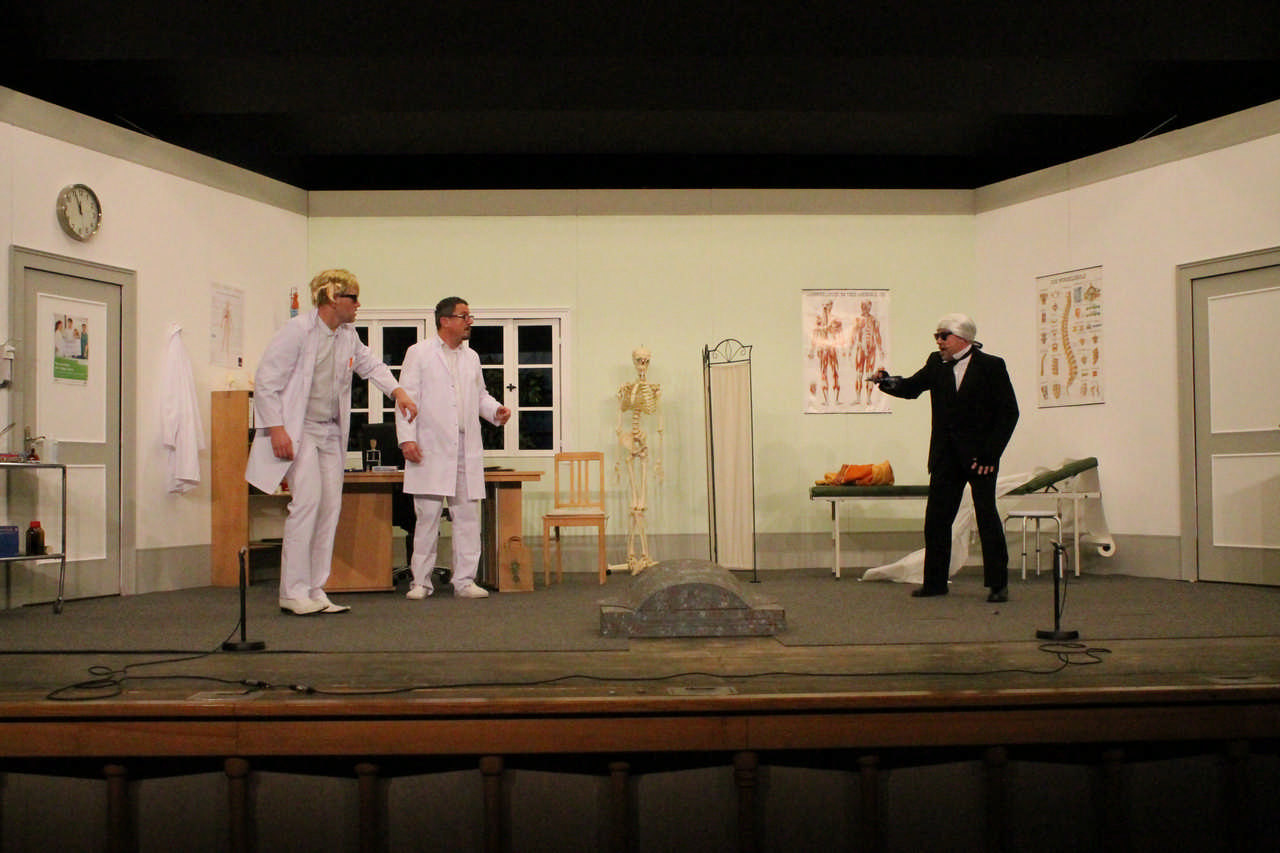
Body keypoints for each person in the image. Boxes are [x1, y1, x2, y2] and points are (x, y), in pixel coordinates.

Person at [246, 269, 418, 616]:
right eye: (353, 297)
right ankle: (292, 592)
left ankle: (315, 588)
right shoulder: (297, 332)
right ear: (331, 298)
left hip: (329, 431)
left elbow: (372, 366)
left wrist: (398, 392)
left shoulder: (347, 335)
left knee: (329, 508)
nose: (358, 304)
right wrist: (276, 429)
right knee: (306, 504)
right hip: (299, 429)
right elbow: (266, 381)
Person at [872, 313, 1019, 601]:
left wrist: (990, 455)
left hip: (980, 457)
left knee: (986, 517)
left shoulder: (991, 366)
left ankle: (998, 584)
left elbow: (1009, 413)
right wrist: (886, 381)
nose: (938, 341)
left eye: (943, 336)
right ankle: (935, 582)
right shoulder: (935, 363)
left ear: (963, 338)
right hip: (945, 456)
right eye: (936, 336)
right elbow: (911, 387)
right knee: (937, 520)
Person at [396, 297, 511, 600]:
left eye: (470, 316)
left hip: (465, 446)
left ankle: (465, 581)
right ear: (445, 320)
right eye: (464, 316)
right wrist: (406, 439)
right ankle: (421, 582)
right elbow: (406, 398)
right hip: (430, 448)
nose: (469, 321)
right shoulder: (419, 353)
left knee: (468, 516)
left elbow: (480, 395)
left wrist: (495, 411)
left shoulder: (471, 357)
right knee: (428, 518)